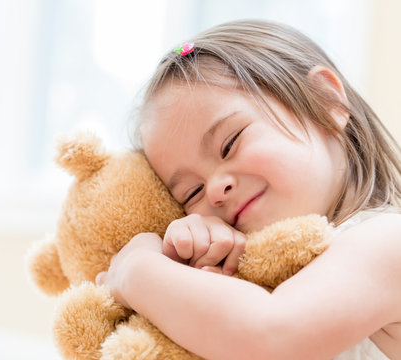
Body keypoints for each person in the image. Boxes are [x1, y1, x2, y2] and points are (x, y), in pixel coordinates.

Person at [95, 20, 401, 359]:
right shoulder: (255, 287)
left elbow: (270, 336)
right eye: (191, 194)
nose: (215, 190)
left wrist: (136, 269)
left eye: (229, 144)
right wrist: (186, 258)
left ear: (326, 101)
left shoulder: (387, 240)